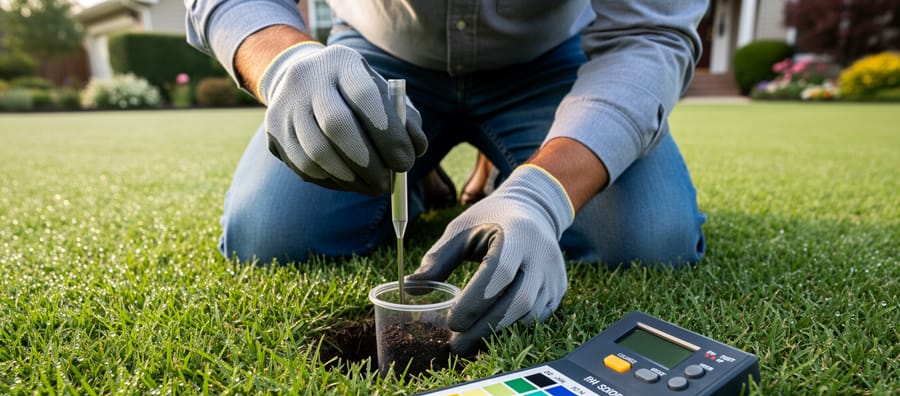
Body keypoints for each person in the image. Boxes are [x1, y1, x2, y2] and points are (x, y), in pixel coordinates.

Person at [185, 0, 709, 355]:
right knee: (270, 232)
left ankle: (501, 168)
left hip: (549, 64)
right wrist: (285, 63)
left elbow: (649, 35)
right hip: (377, 58)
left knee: (647, 236)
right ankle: (418, 167)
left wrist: (544, 194)